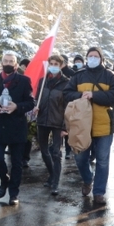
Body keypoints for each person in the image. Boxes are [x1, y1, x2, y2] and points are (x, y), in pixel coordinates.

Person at [63, 46, 114, 207]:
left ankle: (99, 192)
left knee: (103, 161)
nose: (93, 58)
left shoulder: (111, 76)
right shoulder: (78, 76)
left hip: (104, 126)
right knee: (80, 157)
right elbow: (66, 94)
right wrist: (80, 96)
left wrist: (94, 95)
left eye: (96, 56)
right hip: (82, 126)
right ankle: (88, 179)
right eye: (90, 56)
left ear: (101, 59)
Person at [0, 51, 35, 205]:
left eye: (11, 61)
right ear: (1, 62)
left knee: (17, 163)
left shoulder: (24, 81)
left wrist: (17, 107)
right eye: (5, 60)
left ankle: (14, 193)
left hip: (17, 127)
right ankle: (4, 179)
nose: (8, 63)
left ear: (16, 64)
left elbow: (30, 103)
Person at [35, 54, 69, 195]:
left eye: (56, 64)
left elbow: (68, 106)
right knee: (44, 151)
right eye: (51, 63)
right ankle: (51, 175)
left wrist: (65, 126)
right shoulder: (43, 81)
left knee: (56, 153)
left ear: (61, 66)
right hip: (42, 120)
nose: (53, 66)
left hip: (57, 122)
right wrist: (36, 107)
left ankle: (55, 183)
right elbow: (37, 99)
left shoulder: (66, 82)